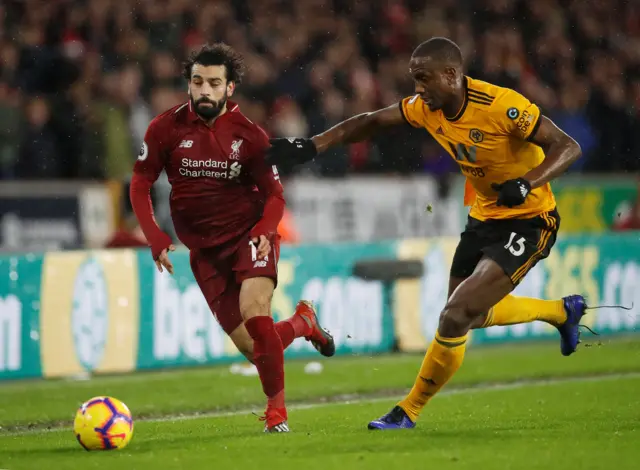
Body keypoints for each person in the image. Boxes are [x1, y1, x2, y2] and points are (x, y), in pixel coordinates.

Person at [266, 37, 585, 430]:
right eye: (414, 79)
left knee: (453, 316)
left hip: (530, 219)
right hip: (484, 218)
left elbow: (568, 147)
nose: (417, 88)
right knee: (468, 314)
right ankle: (560, 312)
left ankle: (408, 411)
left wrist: (527, 182)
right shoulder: (426, 109)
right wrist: (312, 145)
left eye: (424, 79)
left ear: (451, 75)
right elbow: (369, 121)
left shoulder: (502, 106)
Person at [129, 43, 335, 433]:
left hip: (249, 238)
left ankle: (277, 414)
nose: (204, 90)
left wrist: (264, 230)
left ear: (230, 89)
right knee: (255, 348)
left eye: (214, 83)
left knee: (255, 313)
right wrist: (154, 236)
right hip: (204, 252)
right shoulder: (164, 128)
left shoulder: (250, 136)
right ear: (189, 84)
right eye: (197, 82)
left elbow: (275, 196)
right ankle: (303, 323)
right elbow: (140, 182)